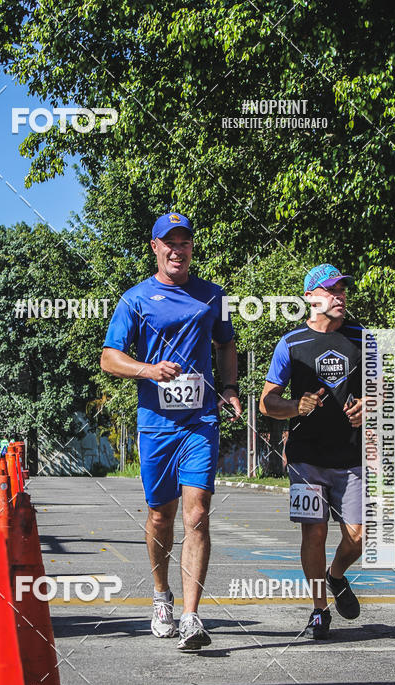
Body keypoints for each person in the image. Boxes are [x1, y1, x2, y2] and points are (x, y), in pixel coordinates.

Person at [100, 213, 241, 650]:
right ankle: (161, 596)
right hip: (156, 424)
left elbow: (226, 344)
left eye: (185, 242)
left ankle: (192, 615)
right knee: (161, 515)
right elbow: (109, 357)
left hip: (200, 421)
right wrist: (149, 370)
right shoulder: (135, 299)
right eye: (169, 242)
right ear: (155, 247)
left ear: (192, 248)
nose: (177, 250)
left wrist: (230, 387)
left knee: (197, 514)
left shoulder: (212, 296)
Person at [259, 263, 364, 639]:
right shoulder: (290, 344)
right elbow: (266, 403)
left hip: (352, 457)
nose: (340, 296)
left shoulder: (363, 338)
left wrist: (369, 405)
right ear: (310, 297)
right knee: (314, 533)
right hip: (305, 459)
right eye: (331, 289)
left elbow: (384, 391)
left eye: (343, 289)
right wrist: (295, 406)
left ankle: (336, 575)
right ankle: (319, 610)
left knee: (358, 536)